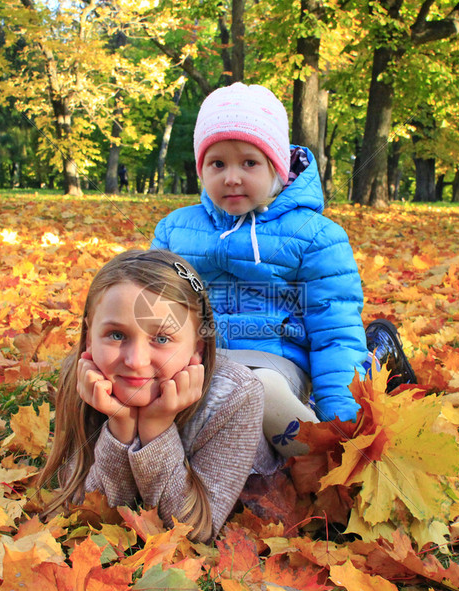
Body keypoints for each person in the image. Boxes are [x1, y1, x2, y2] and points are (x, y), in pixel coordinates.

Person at [151, 82, 416, 457]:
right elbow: (154, 309)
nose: (231, 177)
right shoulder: (176, 230)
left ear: (277, 167)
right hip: (197, 363)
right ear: (201, 169)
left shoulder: (315, 236)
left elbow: (333, 332)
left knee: (258, 391)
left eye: (249, 162)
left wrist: (341, 418)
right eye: (217, 163)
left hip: (277, 364)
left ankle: (326, 455)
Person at [37, 249, 280, 542]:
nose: (136, 361)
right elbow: (87, 514)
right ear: (89, 335)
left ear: (197, 347)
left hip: (261, 463)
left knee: (275, 393)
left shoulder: (236, 395)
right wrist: (120, 427)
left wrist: (157, 428)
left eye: (162, 339)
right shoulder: (81, 376)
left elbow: (195, 531)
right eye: (116, 335)